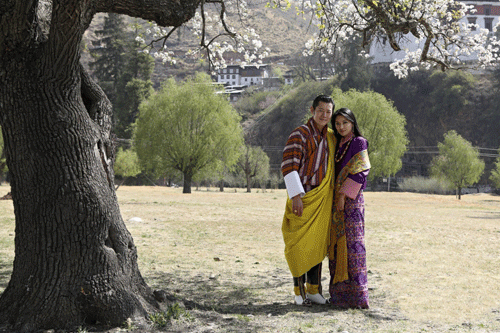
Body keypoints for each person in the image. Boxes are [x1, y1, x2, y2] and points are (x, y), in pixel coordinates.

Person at [281, 95, 336, 306]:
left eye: (328, 112)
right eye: (320, 110)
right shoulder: (300, 134)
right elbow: (288, 165)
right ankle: (298, 291)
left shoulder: (331, 136)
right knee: (298, 245)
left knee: (316, 244)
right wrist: (296, 196)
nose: (324, 115)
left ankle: (314, 290)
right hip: (303, 197)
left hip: (322, 199)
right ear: (312, 110)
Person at [328, 107, 371, 309]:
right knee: (336, 246)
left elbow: (361, 172)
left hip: (351, 201)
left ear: (352, 123)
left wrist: (343, 195)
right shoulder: (336, 144)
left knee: (353, 246)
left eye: (345, 123)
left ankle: (357, 296)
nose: (341, 127)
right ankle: (339, 296)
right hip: (335, 201)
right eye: (337, 124)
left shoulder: (358, 143)